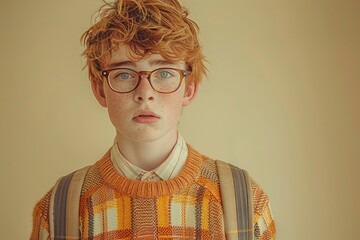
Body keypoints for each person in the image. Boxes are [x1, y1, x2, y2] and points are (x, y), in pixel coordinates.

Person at [30, 0, 276, 239]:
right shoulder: (58, 210)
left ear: (189, 88)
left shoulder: (244, 201)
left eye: (165, 72)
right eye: (124, 74)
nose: (145, 93)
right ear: (100, 90)